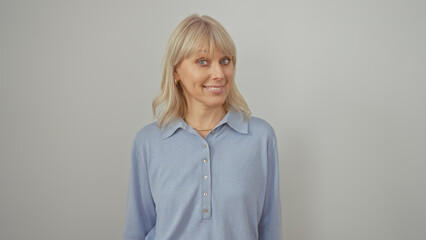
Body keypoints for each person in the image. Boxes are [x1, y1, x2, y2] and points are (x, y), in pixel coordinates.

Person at [123, 14, 282, 240]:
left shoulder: (260, 137)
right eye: (202, 61)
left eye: (225, 60)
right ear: (176, 71)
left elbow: (270, 228)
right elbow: (136, 229)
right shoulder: (148, 142)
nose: (219, 74)